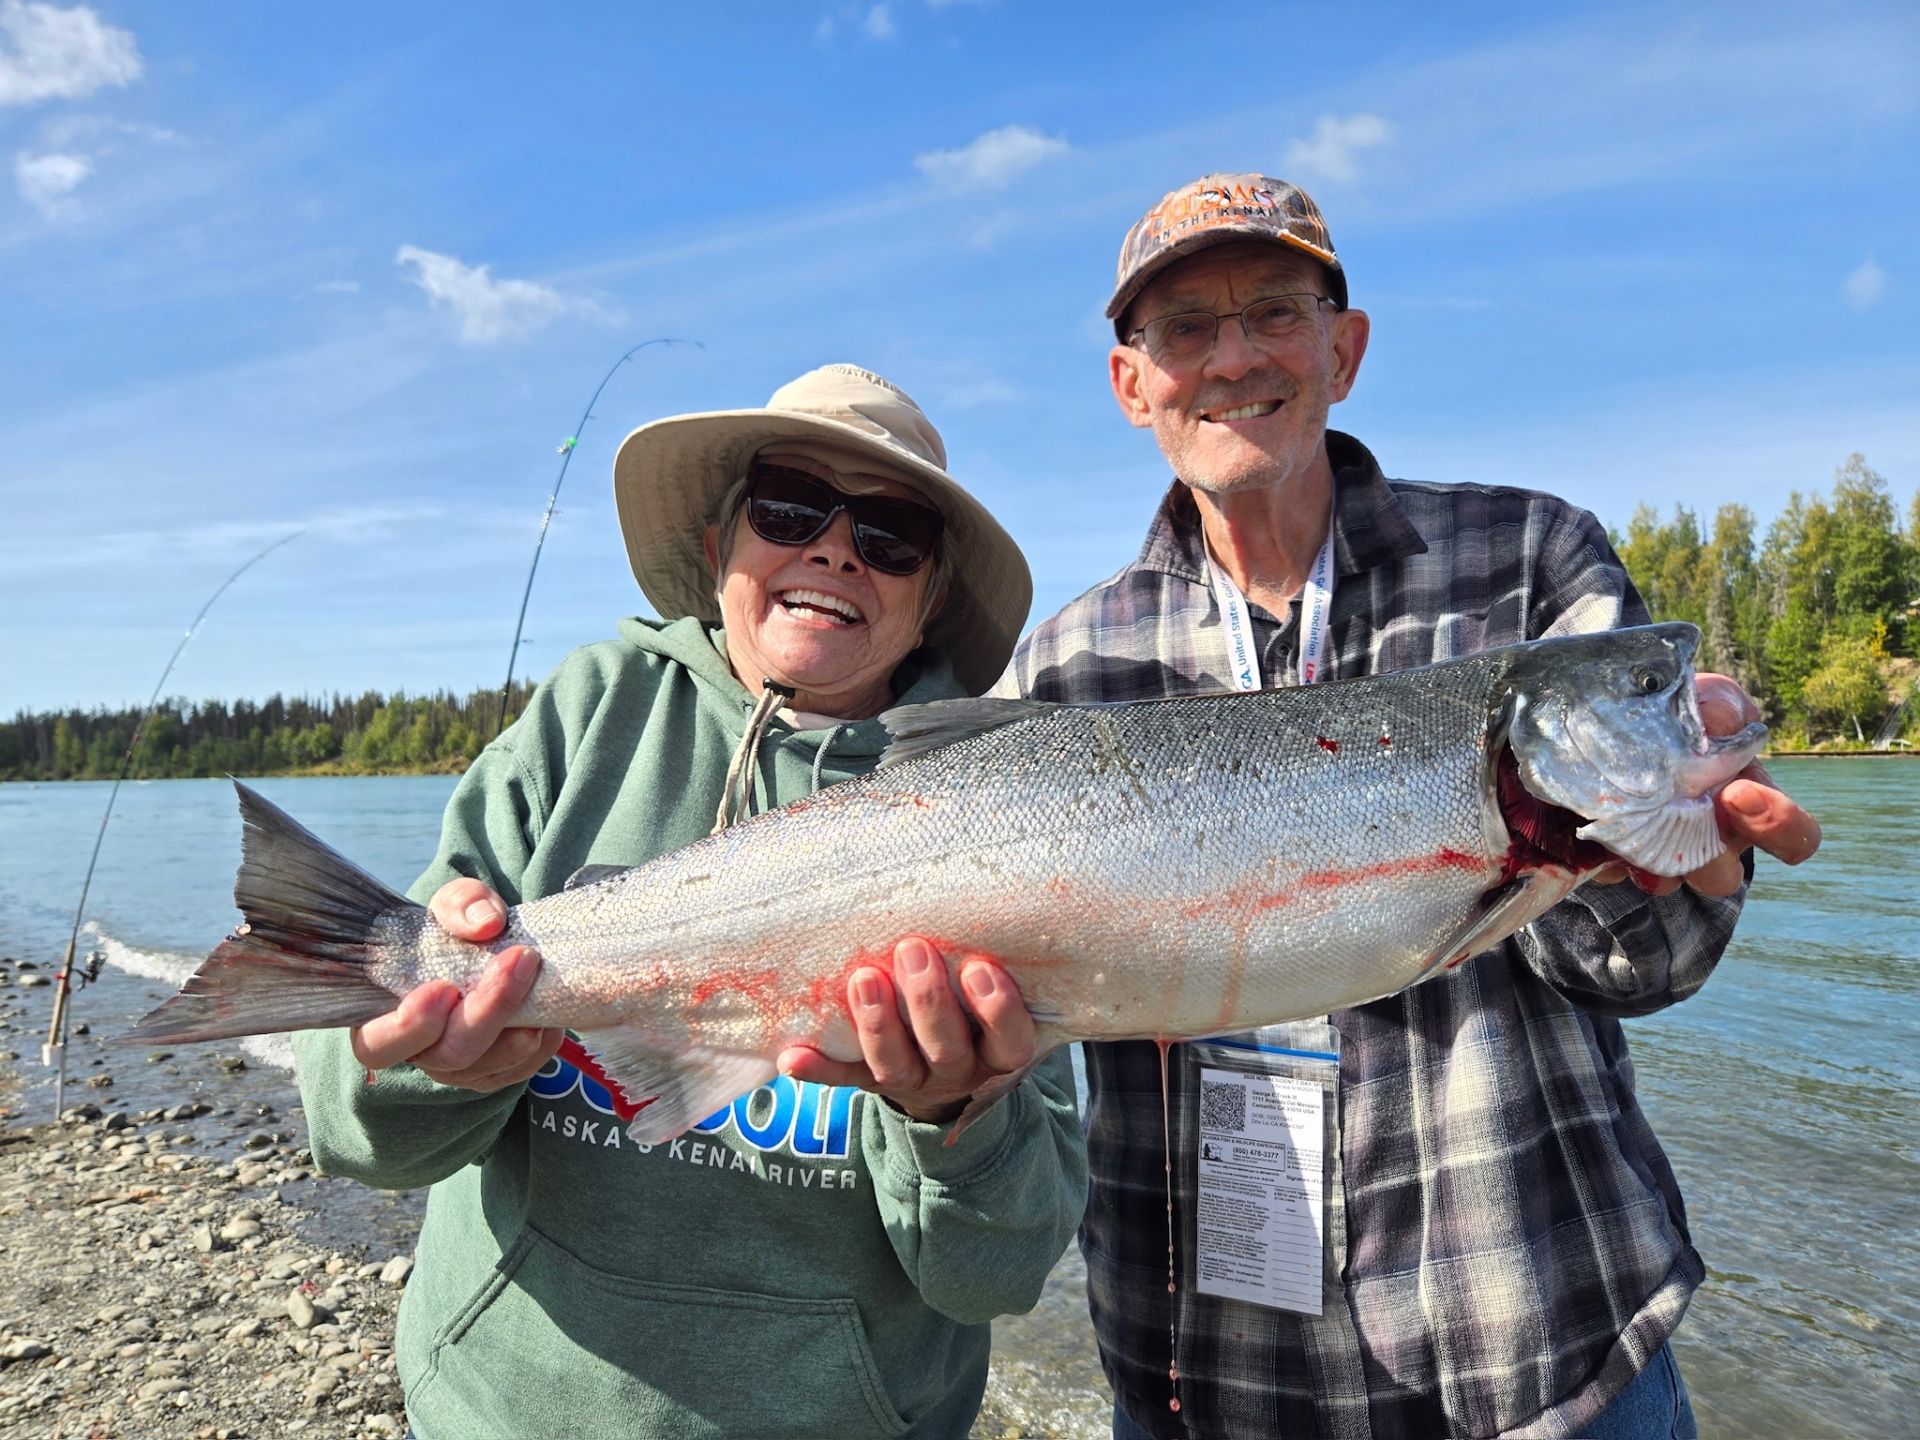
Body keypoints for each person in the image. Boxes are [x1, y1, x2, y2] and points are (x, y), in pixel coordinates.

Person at [995, 175, 1823, 1438]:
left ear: (1346, 347)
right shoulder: (1064, 671)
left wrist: (1671, 862)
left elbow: (1642, 966)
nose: (1233, 357)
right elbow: (990, 1035)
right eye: (1184, 329)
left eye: (1275, 310)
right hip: (1209, 1383)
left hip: (1544, 1354)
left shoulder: (1534, 562)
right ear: (1132, 383)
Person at [291, 364, 1087, 1439]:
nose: (837, 548)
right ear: (720, 545)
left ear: (932, 595)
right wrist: (431, 1062)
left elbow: (995, 1276)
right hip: (500, 1412)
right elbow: (355, 1136)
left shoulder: (1015, 804)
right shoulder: (588, 714)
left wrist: (958, 1119)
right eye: (791, 508)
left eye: (892, 533)